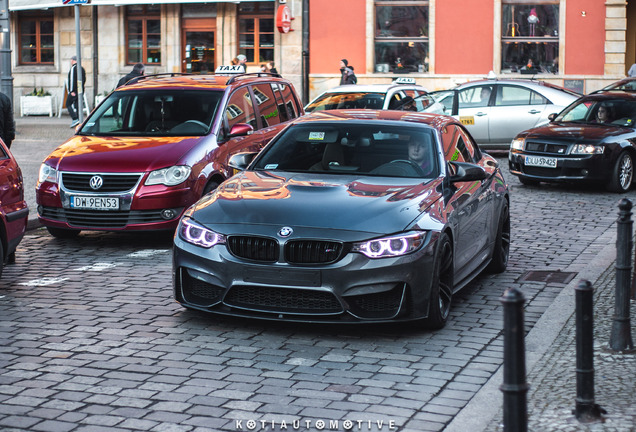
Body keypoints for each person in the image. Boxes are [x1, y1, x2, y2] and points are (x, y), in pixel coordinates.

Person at [66, 56, 86, 128]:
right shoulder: (82, 68)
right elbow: (84, 80)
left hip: (74, 91)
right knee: (77, 105)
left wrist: (71, 91)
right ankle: (79, 122)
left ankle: (75, 118)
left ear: (72, 60)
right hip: (80, 91)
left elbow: (72, 80)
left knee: (68, 104)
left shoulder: (73, 68)